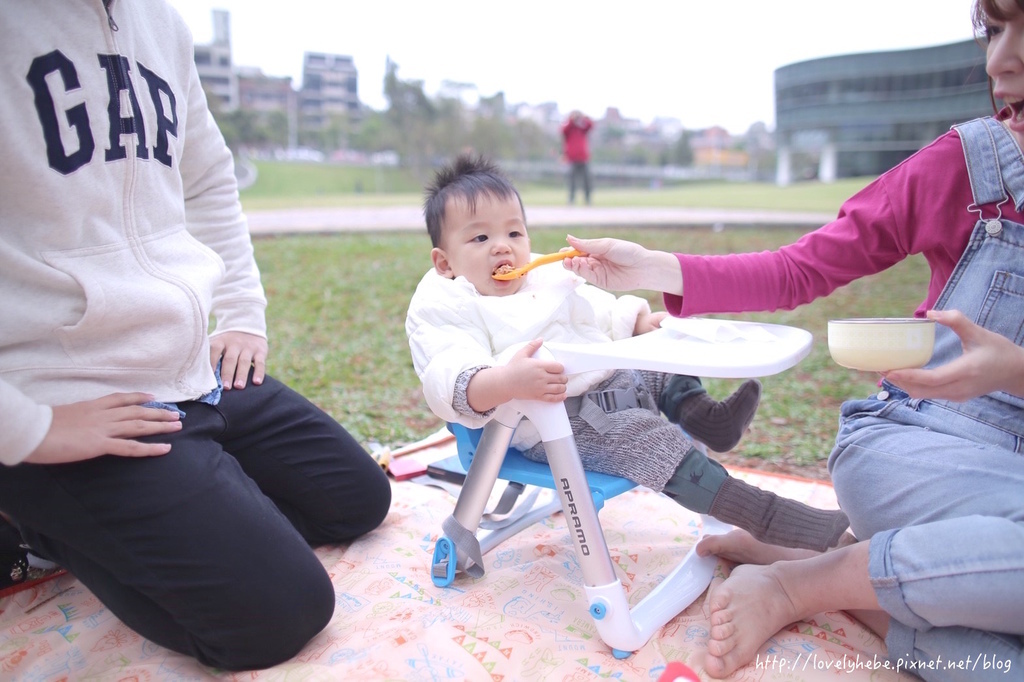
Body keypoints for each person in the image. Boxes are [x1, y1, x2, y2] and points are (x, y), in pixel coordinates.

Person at [559, 1, 1024, 677]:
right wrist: (656, 267)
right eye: (995, 27)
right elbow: (805, 265)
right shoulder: (969, 167)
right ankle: (802, 585)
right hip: (919, 443)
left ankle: (831, 567)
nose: (998, 60)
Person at [0, 0, 391, 672]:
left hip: (184, 370)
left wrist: (240, 309)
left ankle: (184, 508)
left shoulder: (160, 21)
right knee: (281, 613)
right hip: (61, 393)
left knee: (358, 499)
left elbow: (208, 174)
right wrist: (26, 429)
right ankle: (32, 516)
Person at [406, 154, 850, 553]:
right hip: (553, 420)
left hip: (607, 376)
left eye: (514, 231)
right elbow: (448, 375)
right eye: (480, 238)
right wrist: (506, 382)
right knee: (650, 440)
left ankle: (710, 420)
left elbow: (598, 313)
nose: (503, 246)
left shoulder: (544, 278)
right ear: (445, 262)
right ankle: (769, 517)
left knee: (661, 364)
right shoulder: (447, 304)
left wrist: (638, 323)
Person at [562, 110, 594, 205]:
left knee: (587, 180)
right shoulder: (569, 128)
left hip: (583, 158)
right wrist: (572, 119)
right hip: (572, 158)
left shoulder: (582, 127)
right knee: (572, 181)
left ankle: (588, 200)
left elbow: (591, 125)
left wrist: (583, 117)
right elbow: (563, 130)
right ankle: (571, 200)